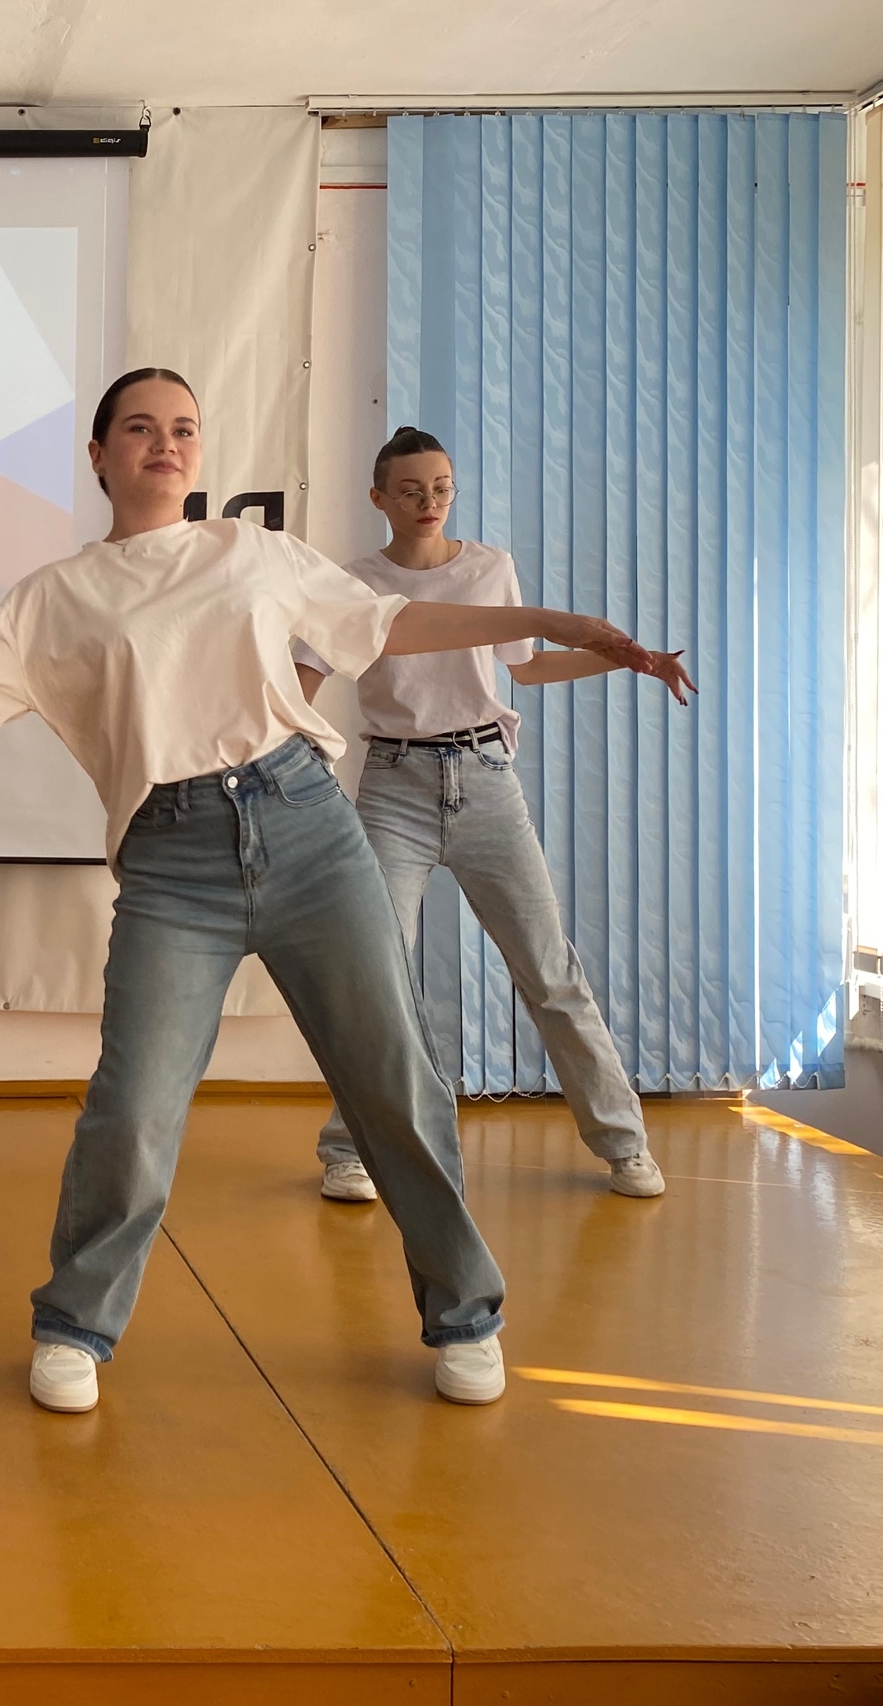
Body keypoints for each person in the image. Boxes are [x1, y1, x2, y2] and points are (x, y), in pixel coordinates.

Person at [0, 369, 695, 1414]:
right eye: (139, 427)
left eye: (182, 427)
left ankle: (465, 1312)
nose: (164, 442)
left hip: (306, 824)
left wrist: (561, 623)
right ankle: (75, 1322)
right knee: (132, 1104)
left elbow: (389, 625)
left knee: (393, 1078)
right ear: (98, 455)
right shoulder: (54, 597)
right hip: (172, 860)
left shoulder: (251, 552)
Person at [294, 428, 687, 1207]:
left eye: (441, 487)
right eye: (412, 490)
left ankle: (625, 1143)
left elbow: (525, 668)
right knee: (373, 974)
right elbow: (302, 680)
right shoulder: (353, 584)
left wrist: (623, 657)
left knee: (550, 972)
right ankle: (350, 1150)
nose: (429, 502)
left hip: (486, 781)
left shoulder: (489, 567)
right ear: (379, 498)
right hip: (394, 786)